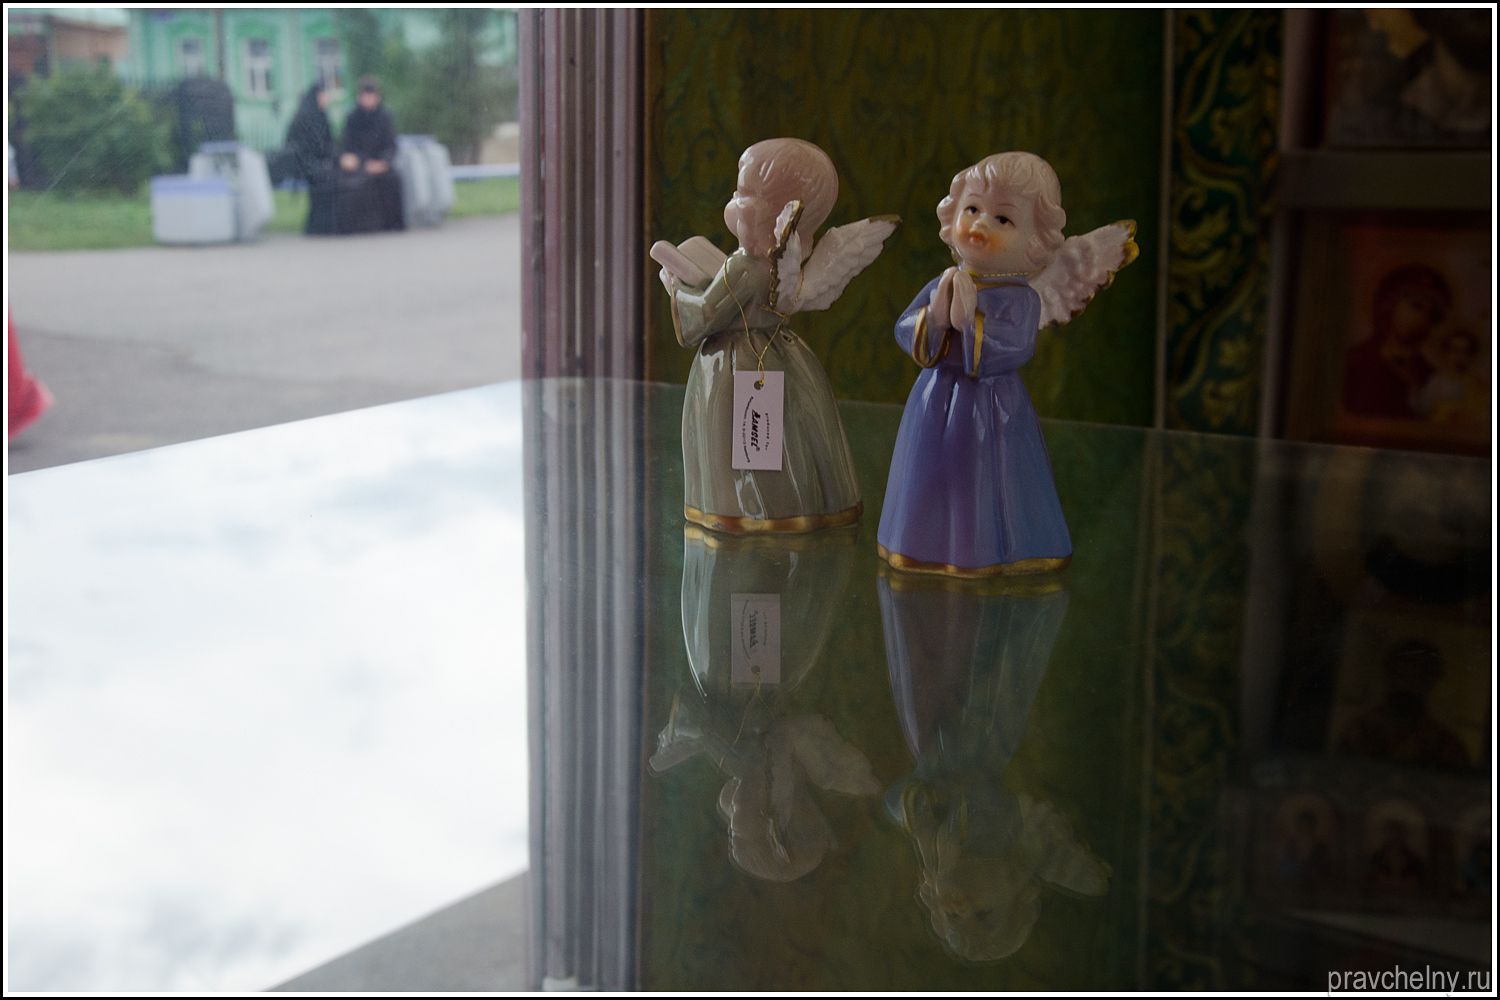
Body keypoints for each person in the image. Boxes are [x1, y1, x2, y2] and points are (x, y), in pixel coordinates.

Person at [877, 152, 1136, 577]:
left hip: (991, 406)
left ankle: (982, 552)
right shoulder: (942, 283)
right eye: (973, 209)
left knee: (979, 478)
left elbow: (1015, 346)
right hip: (933, 399)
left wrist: (969, 321)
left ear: (1036, 242)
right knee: (926, 472)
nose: (980, 224)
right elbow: (905, 329)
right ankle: (917, 544)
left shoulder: (1021, 298)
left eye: (1003, 219)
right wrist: (936, 317)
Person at [338, 76, 404, 233]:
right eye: (365, 96)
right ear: (359, 97)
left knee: (393, 179)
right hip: (360, 164)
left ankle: (391, 224)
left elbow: (391, 145)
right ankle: (361, 226)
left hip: (380, 163)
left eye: (371, 96)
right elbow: (347, 145)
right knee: (355, 182)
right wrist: (362, 162)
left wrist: (384, 162)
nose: (369, 100)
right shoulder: (352, 118)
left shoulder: (385, 117)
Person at [283, 83, 337, 235]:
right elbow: (304, 148)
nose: (327, 99)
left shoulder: (321, 116)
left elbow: (327, 143)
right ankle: (319, 224)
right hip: (303, 164)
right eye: (325, 95)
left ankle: (329, 222)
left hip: (317, 162)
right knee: (324, 176)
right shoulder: (305, 118)